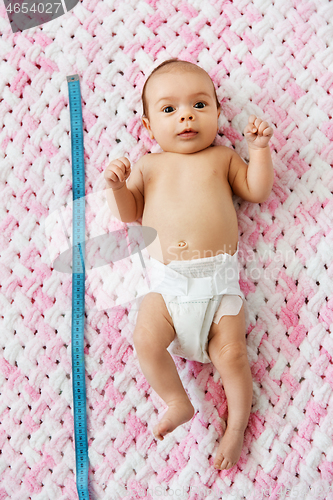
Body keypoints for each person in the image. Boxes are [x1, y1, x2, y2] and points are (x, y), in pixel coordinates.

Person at [104, 59, 274, 470]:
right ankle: (178, 401)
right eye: (168, 109)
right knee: (145, 339)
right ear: (147, 127)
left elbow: (257, 190)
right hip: (167, 285)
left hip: (217, 286)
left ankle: (235, 427)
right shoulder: (148, 166)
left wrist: (259, 150)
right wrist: (116, 187)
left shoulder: (223, 158)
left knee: (233, 355)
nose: (186, 116)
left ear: (217, 112)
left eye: (200, 105)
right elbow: (130, 214)